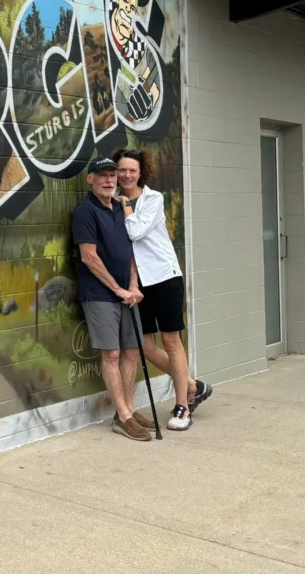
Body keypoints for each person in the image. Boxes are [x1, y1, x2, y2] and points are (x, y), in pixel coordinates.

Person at [114, 147, 213, 431]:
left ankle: (183, 407)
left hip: (165, 277)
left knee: (171, 341)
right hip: (138, 283)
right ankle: (193, 385)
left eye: (132, 170)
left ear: (140, 172)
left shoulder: (153, 199)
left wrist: (125, 206)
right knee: (145, 345)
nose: (127, 175)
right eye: (122, 170)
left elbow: (135, 233)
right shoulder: (114, 201)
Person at [72, 157, 152, 441]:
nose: (108, 180)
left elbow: (131, 250)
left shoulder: (120, 208)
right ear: (90, 179)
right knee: (113, 354)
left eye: (112, 175)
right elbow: (88, 256)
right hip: (100, 295)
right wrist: (118, 290)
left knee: (131, 351)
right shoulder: (85, 211)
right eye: (102, 176)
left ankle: (127, 409)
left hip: (127, 293)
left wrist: (132, 285)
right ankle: (124, 417)